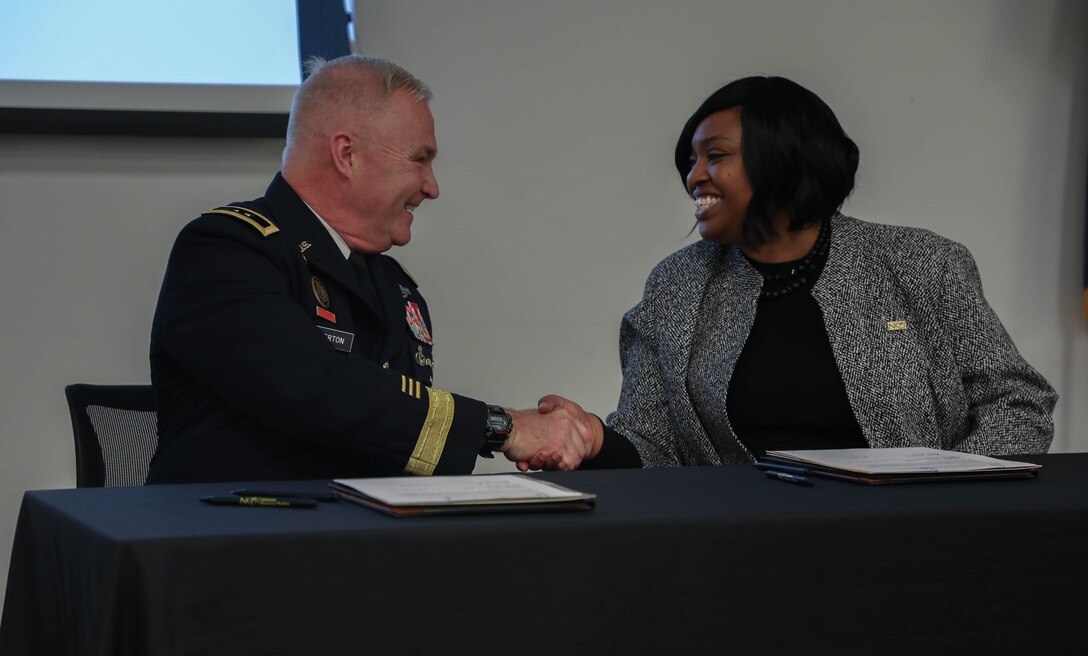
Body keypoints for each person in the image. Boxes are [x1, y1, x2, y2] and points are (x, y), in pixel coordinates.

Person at [533, 75, 1057, 470]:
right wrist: (594, 440)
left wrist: (941, 500)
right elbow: (652, 444)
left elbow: (1018, 404)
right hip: (744, 552)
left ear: (784, 159)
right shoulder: (676, 285)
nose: (693, 177)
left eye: (714, 156)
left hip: (915, 545)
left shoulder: (921, 263)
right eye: (689, 161)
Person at [147, 55, 591, 483]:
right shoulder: (225, 249)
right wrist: (502, 427)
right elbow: (317, 391)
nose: (432, 187)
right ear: (347, 154)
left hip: (361, 540)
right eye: (419, 159)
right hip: (230, 545)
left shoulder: (393, 285)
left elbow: (392, 431)